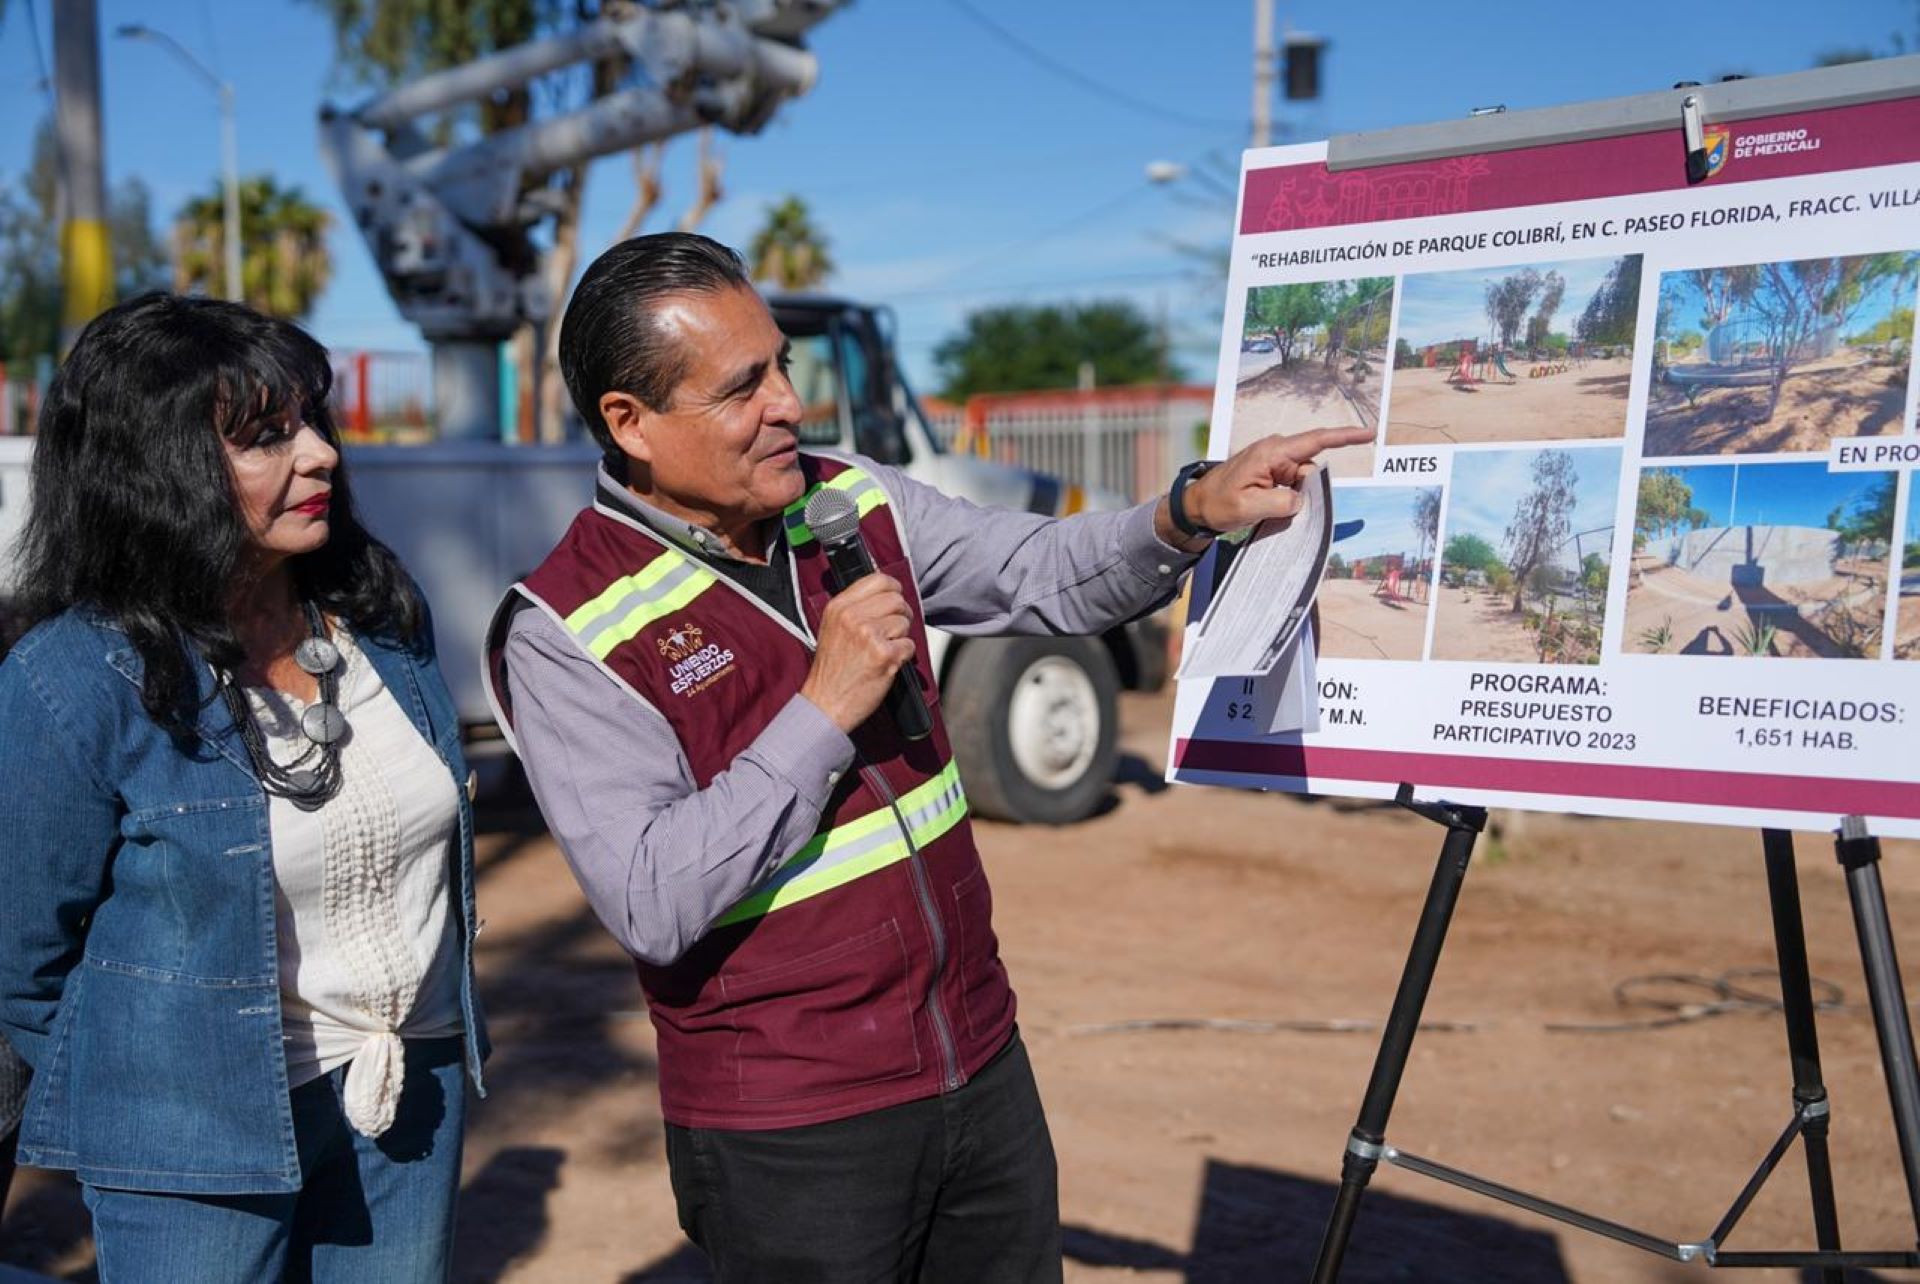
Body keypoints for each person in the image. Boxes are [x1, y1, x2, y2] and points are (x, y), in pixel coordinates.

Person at [484, 232, 1366, 1283]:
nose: (786, 406)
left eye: (781, 367)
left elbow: (1043, 574)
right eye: (740, 388)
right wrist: (826, 706)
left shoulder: (849, 496)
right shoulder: (567, 627)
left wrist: (1188, 512)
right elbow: (650, 896)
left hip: (979, 1066)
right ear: (629, 423)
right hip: (793, 1129)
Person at [0, 294, 488, 1282]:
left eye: (312, 420)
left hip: (408, 1088)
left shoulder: (381, 618)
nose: (320, 455)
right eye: (267, 436)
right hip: (189, 1133)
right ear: (156, 468)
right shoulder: (69, 681)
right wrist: (155, 1094)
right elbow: (23, 961)